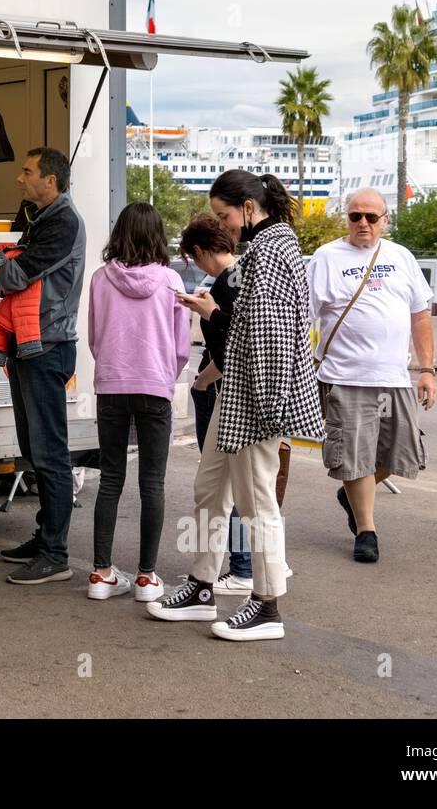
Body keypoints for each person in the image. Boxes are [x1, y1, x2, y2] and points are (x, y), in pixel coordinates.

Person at [150, 171, 322, 641]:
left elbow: (267, 336)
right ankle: (204, 586)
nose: (223, 225)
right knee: (213, 491)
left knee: (256, 501)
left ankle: (267, 605)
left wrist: (267, 404)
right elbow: (263, 329)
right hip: (243, 392)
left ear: (248, 207)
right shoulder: (272, 246)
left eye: (225, 214)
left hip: (253, 394)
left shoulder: (269, 250)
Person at [307, 189, 436, 563]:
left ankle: (352, 491)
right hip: (345, 377)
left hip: (394, 377)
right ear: (346, 218)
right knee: (353, 453)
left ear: (385, 220)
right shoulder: (326, 258)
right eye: (355, 216)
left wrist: (427, 370)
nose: (363, 223)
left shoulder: (401, 256)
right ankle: (367, 530)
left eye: (371, 217)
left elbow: (420, 316)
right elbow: (305, 317)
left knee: (401, 454)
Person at [85, 202, 190, 603]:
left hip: (111, 383)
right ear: (158, 236)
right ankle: (147, 578)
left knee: (110, 478)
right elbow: (182, 346)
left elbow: (95, 337)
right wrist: (164, 373)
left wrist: (113, 366)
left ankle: (100, 573)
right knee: (153, 482)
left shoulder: (100, 279)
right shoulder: (171, 281)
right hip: (155, 386)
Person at [0, 147, 87, 585]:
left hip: (46, 346)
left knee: (49, 452)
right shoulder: (41, 219)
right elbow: (8, 264)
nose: (19, 179)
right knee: (34, 448)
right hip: (29, 345)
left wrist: (1, 262)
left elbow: (11, 276)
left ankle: (55, 554)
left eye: (27, 173)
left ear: (50, 181)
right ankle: (45, 536)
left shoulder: (63, 223)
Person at [178, 214, 254, 595]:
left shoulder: (227, 283)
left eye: (194, 258)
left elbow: (229, 346)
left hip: (228, 394)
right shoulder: (240, 276)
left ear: (201, 250)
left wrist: (203, 380)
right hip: (236, 392)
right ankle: (236, 571)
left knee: (225, 489)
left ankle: (242, 570)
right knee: (234, 489)